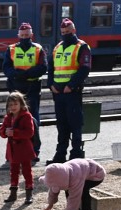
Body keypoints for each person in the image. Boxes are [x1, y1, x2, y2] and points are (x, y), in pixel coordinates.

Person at [47, 18, 91, 164]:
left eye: (68, 32)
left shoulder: (82, 47)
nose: (65, 34)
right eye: (63, 32)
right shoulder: (57, 47)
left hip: (72, 92)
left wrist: (71, 85)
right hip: (58, 93)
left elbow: (85, 69)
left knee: (75, 124)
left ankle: (76, 154)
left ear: (74, 30)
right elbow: (51, 68)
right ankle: (60, 155)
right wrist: (50, 84)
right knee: (62, 125)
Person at [2, 22, 46, 162]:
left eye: (27, 35)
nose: (24, 38)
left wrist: (25, 74)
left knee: (33, 120)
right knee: (13, 120)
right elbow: (6, 69)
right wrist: (18, 75)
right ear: (18, 36)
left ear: (31, 35)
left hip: (32, 88)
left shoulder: (38, 49)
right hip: (15, 89)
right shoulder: (11, 49)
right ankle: (13, 153)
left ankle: (34, 151)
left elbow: (42, 68)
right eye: (22, 36)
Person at [40, 157, 105, 210]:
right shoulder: (59, 172)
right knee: (67, 189)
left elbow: (74, 197)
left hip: (96, 175)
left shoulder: (75, 177)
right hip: (82, 172)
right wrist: (51, 203)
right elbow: (53, 187)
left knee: (82, 190)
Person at [0, 92, 36, 205]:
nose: (13, 107)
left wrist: (14, 132)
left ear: (21, 104)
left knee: (27, 171)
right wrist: (5, 132)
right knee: (13, 171)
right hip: (12, 149)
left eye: (15, 104)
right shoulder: (8, 117)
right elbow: (2, 131)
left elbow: (29, 132)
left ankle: (29, 193)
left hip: (24, 148)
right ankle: (13, 193)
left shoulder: (26, 116)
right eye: (10, 105)